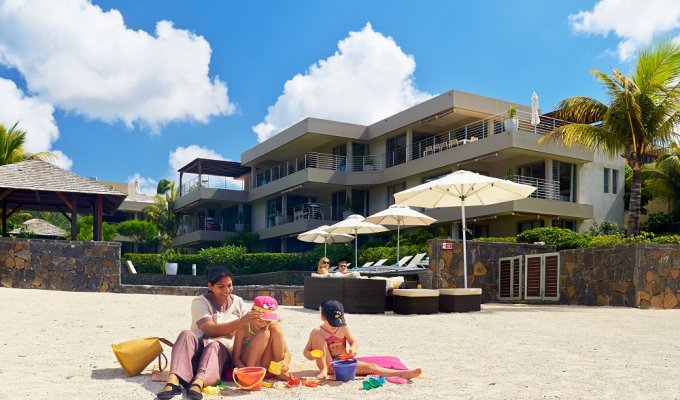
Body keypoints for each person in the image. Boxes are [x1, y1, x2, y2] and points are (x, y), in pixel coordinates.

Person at [157, 266, 262, 400]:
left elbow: (248, 331)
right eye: (221, 286)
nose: (226, 290)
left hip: (220, 357)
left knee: (215, 345)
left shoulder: (238, 302)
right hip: (197, 354)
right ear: (210, 286)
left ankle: (198, 383)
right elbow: (210, 329)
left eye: (229, 285)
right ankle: (173, 380)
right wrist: (240, 322)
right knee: (186, 334)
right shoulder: (200, 302)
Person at [303, 300, 422, 380]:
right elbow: (306, 351)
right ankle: (325, 369)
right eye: (332, 322)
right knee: (318, 335)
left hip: (343, 363)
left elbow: (354, 342)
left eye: (338, 322)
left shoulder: (342, 328)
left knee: (372, 366)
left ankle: (401, 373)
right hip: (328, 365)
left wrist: (353, 350)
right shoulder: (317, 331)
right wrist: (311, 355)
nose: (336, 325)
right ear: (323, 317)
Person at [232, 296, 291, 379]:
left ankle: (279, 369)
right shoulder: (243, 329)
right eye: (260, 320)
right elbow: (235, 358)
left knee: (276, 329)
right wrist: (244, 370)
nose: (263, 324)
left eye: (267, 321)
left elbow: (287, 353)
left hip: (265, 364)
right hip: (248, 363)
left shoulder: (272, 326)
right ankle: (251, 371)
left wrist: (284, 362)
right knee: (264, 333)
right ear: (252, 313)